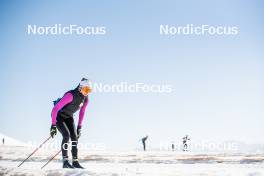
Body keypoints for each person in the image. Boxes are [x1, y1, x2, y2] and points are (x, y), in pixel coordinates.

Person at [50, 78, 92, 169]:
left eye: (89, 90)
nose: (87, 92)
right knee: (66, 135)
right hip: (59, 116)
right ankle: (65, 162)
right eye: (86, 89)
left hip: (69, 116)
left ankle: (75, 162)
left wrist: (79, 127)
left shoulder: (86, 99)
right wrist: (53, 125)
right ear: (80, 88)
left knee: (74, 136)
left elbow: (82, 112)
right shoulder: (71, 95)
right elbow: (55, 109)